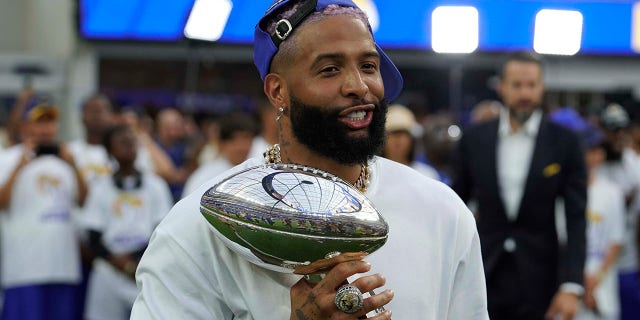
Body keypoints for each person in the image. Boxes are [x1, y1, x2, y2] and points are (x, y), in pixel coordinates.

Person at [131, 0, 488, 319]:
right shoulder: (200, 225)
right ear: (277, 91)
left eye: (368, 65)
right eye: (329, 69)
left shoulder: (441, 211)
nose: (358, 86)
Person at [452, 51, 588, 320]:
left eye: (532, 85)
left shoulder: (566, 142)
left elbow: (576, 217)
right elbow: (456, 207)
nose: (525, 93)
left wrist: (572, 285)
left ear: (542, 87)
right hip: (483, 272)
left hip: (541, 279)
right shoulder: (474, 139)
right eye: (517, 85)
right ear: (501, 86)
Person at [0, 98, 89, 320]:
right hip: (24, 269)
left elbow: (84, 200)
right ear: (25, 126)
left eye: (51, 122)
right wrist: (20, 165)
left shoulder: (66, 160)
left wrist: (73, 165)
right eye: (39, 122)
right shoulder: (8, 158)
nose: (46, 129)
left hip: (63, 267)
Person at [81, 124, 172, 320]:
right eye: (122, 143)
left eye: (132, 142)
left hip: (145, 268)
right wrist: (119, 263)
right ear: (109, 150)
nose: (129, 147)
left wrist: (131, 263)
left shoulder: (156, 185)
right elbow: (93, 236)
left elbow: (163, 230)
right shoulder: (100, 187)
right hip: (107, 272)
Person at [596, 103, 640, 320]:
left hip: (626, 262)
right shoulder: (593, 163)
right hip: (595, 266)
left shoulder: (635, 165)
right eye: (611, 130)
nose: (616, 136)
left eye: (621, 129)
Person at [182, 112, 257, 197]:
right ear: (222, 144)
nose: (241, 146)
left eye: (246, 138)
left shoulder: (259, 170)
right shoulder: (205, 176)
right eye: (234, 140)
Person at [381, 104, 440, 180]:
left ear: (412, 140)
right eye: (393, 134)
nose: (398, 140)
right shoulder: (372, 176)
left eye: (403, 134)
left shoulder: (426, 175)